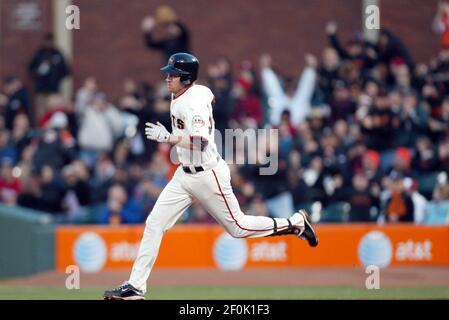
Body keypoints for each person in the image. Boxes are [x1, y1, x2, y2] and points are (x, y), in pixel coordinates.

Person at [103, 53, 319, 300]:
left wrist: (168, 138)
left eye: (172, 74)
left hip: (207, 174)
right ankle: (136, 287)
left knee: (238, 227)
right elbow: (209, 96)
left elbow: (202, 142)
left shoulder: (191, 102)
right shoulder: (193, 93)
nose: (167, 78)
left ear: (186, 78)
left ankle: (295, 223)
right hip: (184, 176)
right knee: (154, 224)